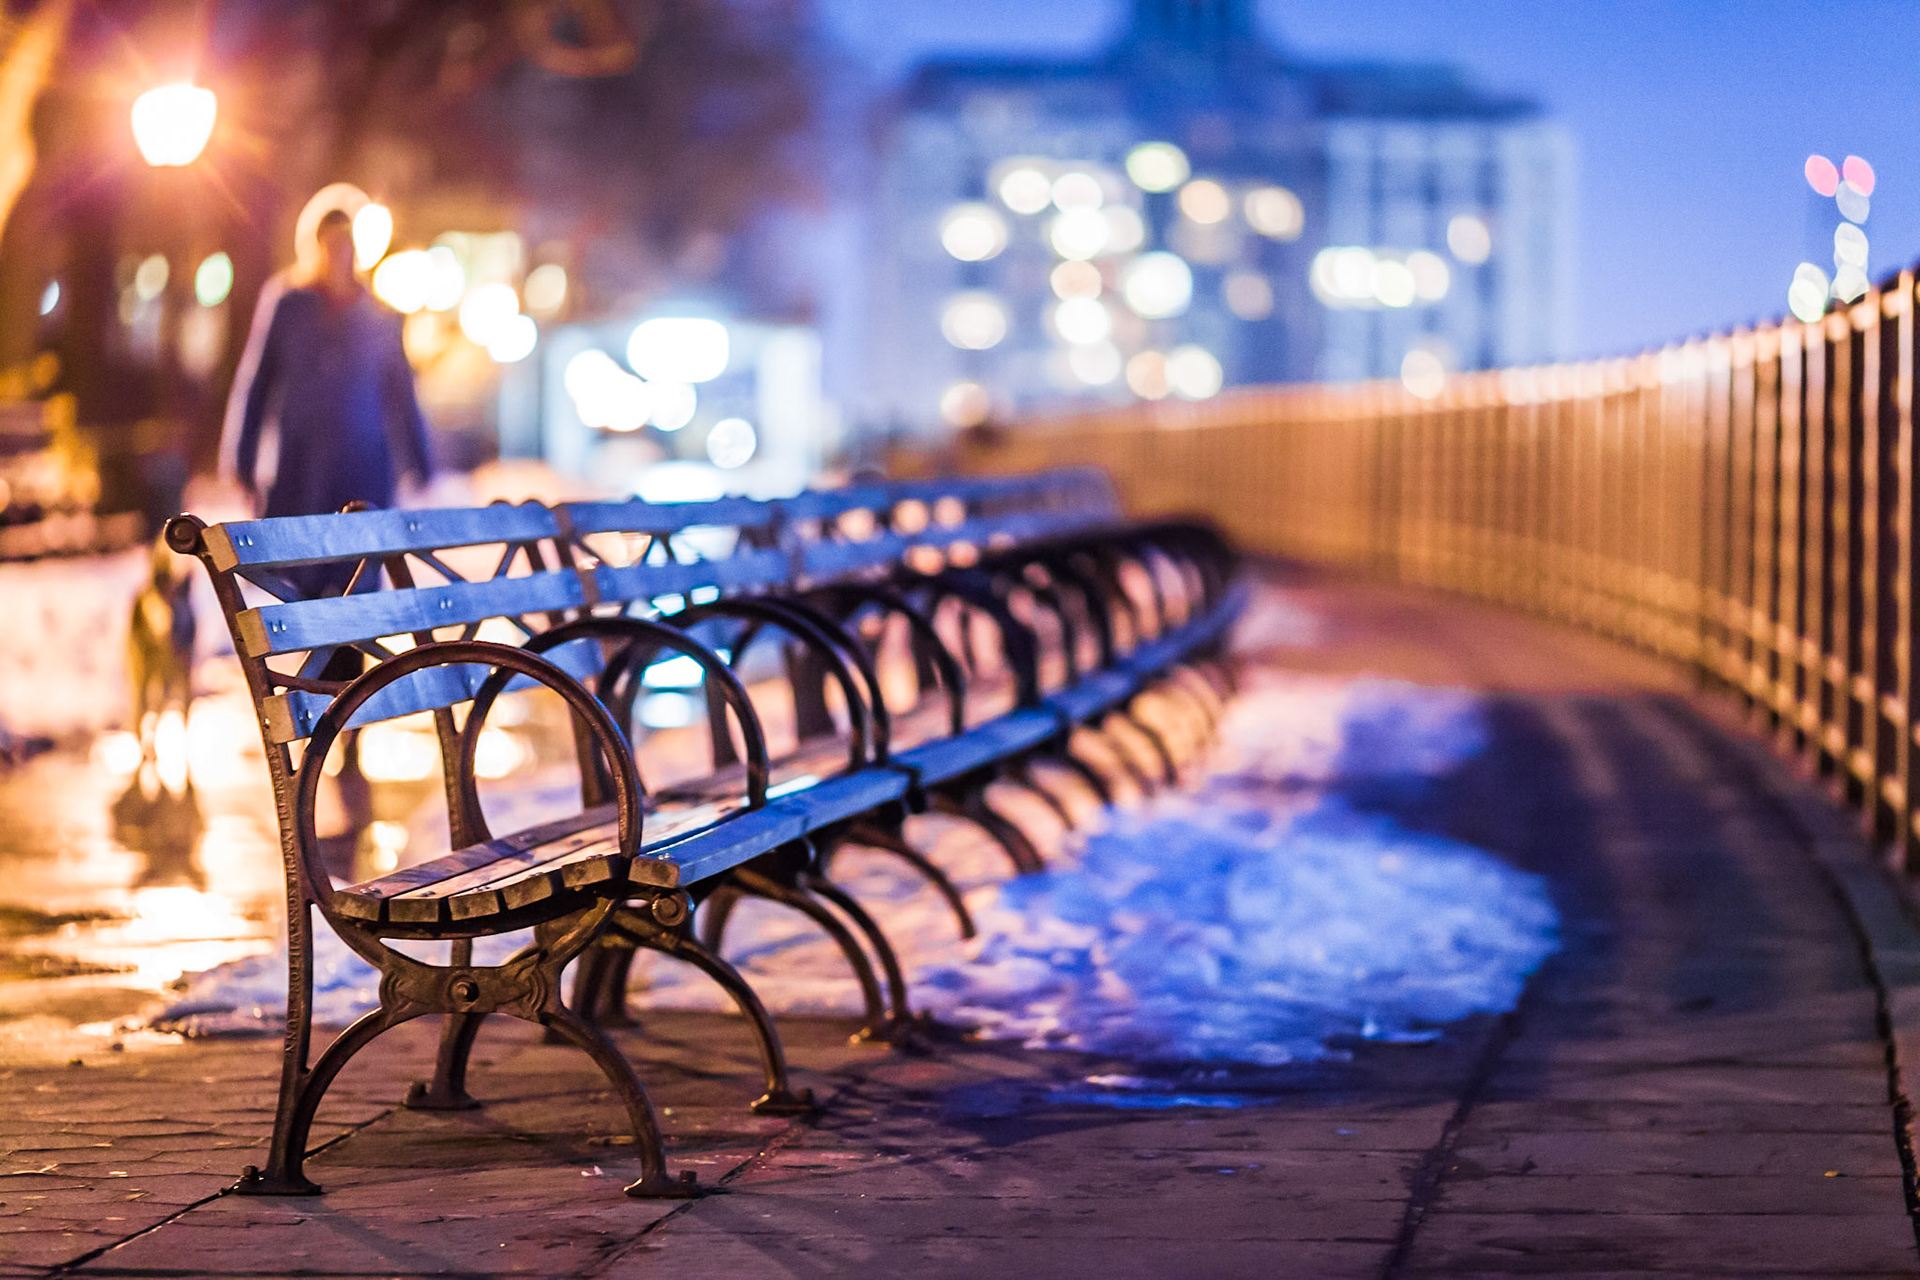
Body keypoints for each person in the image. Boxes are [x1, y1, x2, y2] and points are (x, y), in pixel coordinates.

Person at [226, 207, 432, 522]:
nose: (338, 251)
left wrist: (421, 463)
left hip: (364, 470)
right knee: (301, 562)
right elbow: (257, 384)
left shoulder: (378, 314)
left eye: (345, 241)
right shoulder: (288, 307)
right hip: (298, 468)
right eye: (330, 241)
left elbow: (402, 393)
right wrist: (242, 462)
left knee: (358, 562)